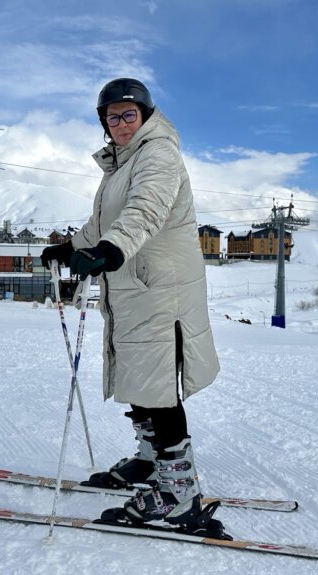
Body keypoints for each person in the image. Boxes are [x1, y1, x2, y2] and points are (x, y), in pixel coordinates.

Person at [40, 78, 221, 533]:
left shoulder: (158, 154)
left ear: (144, 115)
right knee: (139, 378)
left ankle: (180, 493)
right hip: (134, 288)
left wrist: (110, 250)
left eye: (129, 114)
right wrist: (73, 247)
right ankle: (149, 461)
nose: (121, 123)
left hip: (162, 289)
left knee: (159, 387)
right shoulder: (121, 164)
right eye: (112, 117)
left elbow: (144, 211)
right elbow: (105, 221)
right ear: (104, 123)